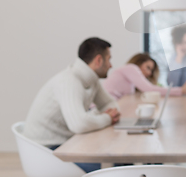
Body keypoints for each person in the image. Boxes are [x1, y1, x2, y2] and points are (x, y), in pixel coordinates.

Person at [23, 37, 120, 173]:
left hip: (65, 145)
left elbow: (110, 105)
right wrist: (107, 118)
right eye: (109, 59)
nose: (111, 65)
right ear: (98, 60)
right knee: (116, 167)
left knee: (120, 162)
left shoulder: (91, 80)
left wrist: (103, 115)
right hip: (46, 152)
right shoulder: (69, 81)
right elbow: (79, 124)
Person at [103, 53, 186, 99]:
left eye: (151, 71)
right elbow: (150, 89)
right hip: (99, 108)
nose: (149, 73)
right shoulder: (131, 68)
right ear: (138, 62)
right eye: (148, 67)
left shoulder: (131, 81)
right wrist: (181, 90)